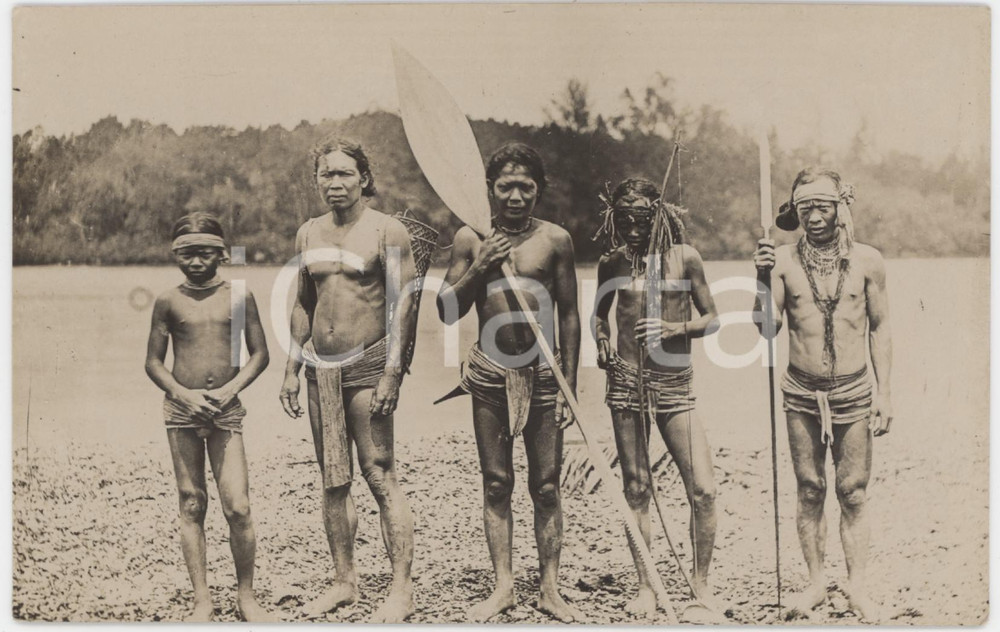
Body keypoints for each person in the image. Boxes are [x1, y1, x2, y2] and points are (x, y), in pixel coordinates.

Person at [435, 143, 581, 622]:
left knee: (547, 486)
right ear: (489, 190)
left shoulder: (555, 240)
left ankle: (549, 589)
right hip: (490, 376)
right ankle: (503, 587)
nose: (515, 197)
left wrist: (570, 385)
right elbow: (446, 309)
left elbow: (569, 314)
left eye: (525, 187)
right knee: (497, 483)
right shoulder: (469, 238)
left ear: (539, 190)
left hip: (544, 376)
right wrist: (481, 264)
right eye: (505, 187)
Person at [278, 136, 419, 622]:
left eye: (344, 173)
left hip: (369, 364)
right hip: (321, 369)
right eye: (326, 174)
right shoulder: (308, 233)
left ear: (364, 178)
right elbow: (304, 303)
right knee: (333, 478)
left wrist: (393, 373)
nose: (334, 182)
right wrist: (291, 368)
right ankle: (344, 582)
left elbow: (405, 305)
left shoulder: (387, 230)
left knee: (379, 473)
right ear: (316, 180)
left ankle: (401, 590)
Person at [752, 167, 893, 622]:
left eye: (822, 207)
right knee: (810, 489)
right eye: (805, 208)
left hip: (854, 390)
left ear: (840, 208)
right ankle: (815, 583)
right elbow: (767, 328)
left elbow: (880, 327)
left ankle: (857, 587)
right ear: (794, 211)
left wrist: (885, 393)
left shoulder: (868, 260)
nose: (813, 217)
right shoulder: (782, 261)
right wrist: (761, 279)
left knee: (853, 491)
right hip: (800, 391)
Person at [592, 178, 722, 618]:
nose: (633, 227)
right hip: (626, 383)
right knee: (636, 488)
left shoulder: (685, 258)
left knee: (703, 489)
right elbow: (599, 316)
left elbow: (712, 318)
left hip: (675, 385)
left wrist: (673, 329)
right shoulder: (612, 263)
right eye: (624, 218)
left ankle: (700, 586)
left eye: (642, 217)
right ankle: (646, 585)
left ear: (659, 214)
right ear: (614, 217)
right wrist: (602, 341)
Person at [144, 212, 274, 622]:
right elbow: (153, 362)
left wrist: (229, 390)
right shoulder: (168, 300)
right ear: (175, 255)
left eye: (205, 253)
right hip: (181, 409)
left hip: (225, 408)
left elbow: (260, 354)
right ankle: (202, 599)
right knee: (191, 502)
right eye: (187, 254)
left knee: (238, 506)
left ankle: (246, 596)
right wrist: (182, 393)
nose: (196, 262)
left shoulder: (239, 295)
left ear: (222, 254)